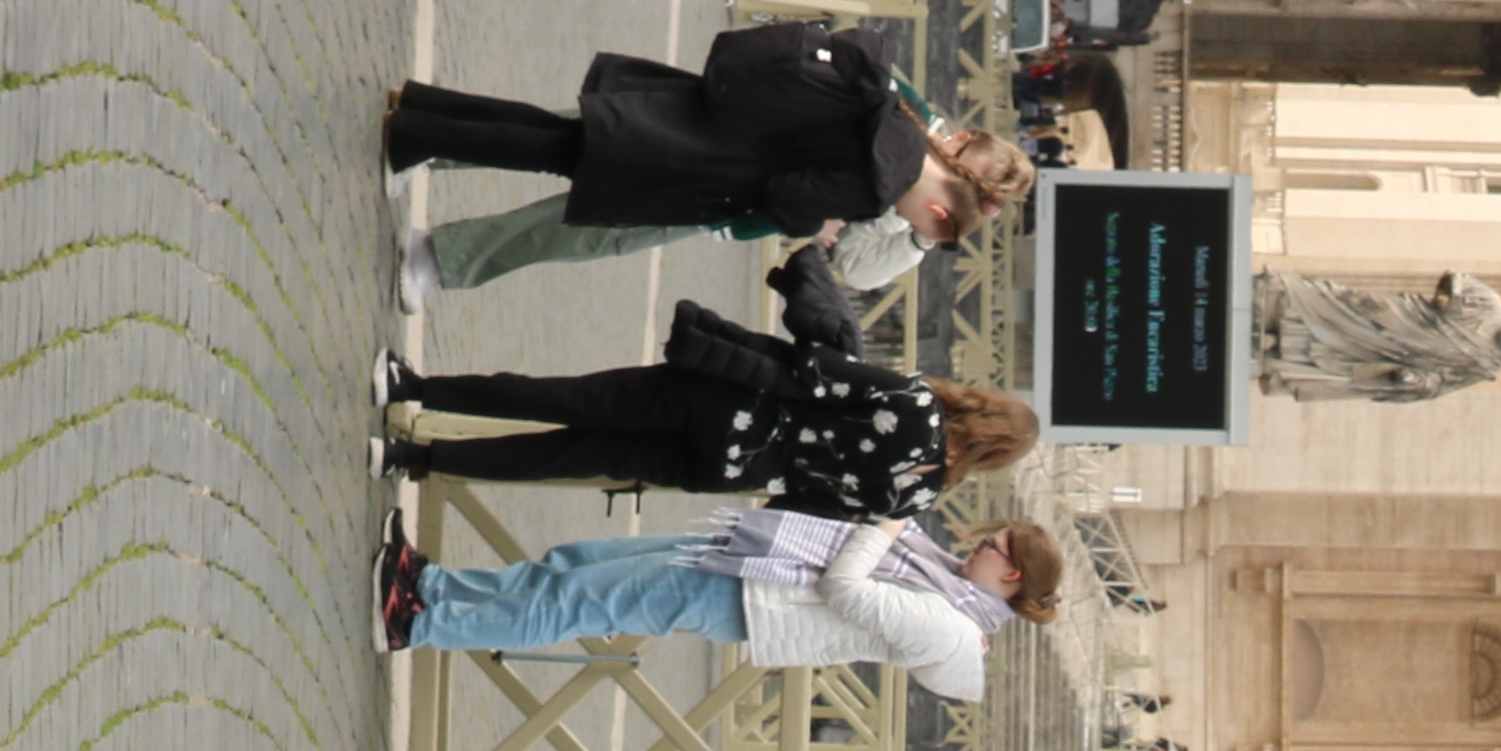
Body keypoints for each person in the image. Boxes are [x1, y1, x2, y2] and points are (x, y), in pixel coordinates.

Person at [385, 24, 1001, 271]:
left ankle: (424, 110)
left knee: (558, 133)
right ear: (939, 211)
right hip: (699, 165)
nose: (908, 224)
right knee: (555, 151)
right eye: (924, 228)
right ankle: (418, 133)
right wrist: (813, 216)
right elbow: (790, 198)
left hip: (709, 112)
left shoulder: (901, 119)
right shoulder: (876, 188)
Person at [382, 512, 1069, 703]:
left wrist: (880, 530)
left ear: (1007, 574)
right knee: (578, 566)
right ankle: (436, 585)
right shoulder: (944, 578)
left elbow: (846, 592)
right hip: (746, 562)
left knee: (581, 603)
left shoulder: (947, 623)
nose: (976, 541)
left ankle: (422, 621)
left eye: (992, 544)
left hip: (753, 597)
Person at [409, 111, 1027, 322]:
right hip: (729, 156)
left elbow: (859, 272)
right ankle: (433, 139)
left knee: (591, 221)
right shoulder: (906, 122)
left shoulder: (912, 208)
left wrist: (916, 232)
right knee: (574, 145)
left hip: (725, 193)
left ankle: (441, 205)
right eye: (970, 171)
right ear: (968, 139)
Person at [384, 320, 1029, 516]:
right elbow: (806, 508)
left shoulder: (913, 403)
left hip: (727, 407)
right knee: (568, 457)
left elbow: (817, 373)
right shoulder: (917, 495)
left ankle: (417, 388)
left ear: (985, 404)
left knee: (565, 397)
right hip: (724, 470)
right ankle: (417, 459)